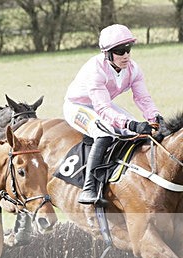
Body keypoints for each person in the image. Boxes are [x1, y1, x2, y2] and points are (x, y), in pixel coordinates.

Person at [63, 24, 164, 205]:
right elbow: (102, 109)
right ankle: (89, 187)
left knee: (137, 132)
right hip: (77, 106)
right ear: (107, 53)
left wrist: (155, 118)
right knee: (105, 132)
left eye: (128, 49)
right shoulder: (95, 69)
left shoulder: (133, 69)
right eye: (119, 51)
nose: (125, 55)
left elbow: (143, 98)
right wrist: (131, 124)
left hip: (104, 104)